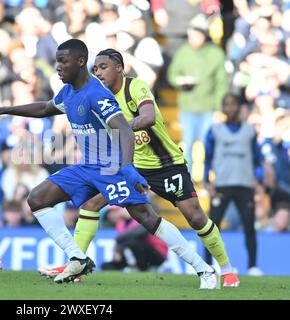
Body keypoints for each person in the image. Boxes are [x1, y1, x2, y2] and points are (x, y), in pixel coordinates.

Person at [0, 39, 219, 288]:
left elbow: (124, 129)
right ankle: (78, 257)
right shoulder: (70, 91)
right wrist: (4, 109)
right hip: (89, 167)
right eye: (57, 61)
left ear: (80, 62)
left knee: (147, 218)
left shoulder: (97, 94)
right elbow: (46, 108)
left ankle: (205, 269)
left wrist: (126, 169)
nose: (58, 67)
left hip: (111, 168)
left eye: (63, 61)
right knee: (37, 198)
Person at [39, 48, 240, 287]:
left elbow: (148, 118)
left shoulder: (135, 87)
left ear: (119, 69)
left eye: (104, 67)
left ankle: (227, 269)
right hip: (130, 165)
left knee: (196, 218)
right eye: (96, 69)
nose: (99, 73)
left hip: (166, 164)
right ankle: (76, 264)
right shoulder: (98, 95)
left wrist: (119, 128)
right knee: (91, 204)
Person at [204, 93, 263, 276]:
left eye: (233, 104)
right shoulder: (214, 130)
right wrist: (207, 180)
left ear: (239, 107)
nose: (230, 108)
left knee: (249, 225)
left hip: (244, 185)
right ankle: (207, 265)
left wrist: (258, 180)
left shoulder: (250, 131)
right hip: (221, 185)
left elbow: (257, 160)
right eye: (227, 105)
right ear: (223, 108)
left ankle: (252, 266)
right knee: (211, 227)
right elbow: (208, 157)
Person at [167, 14, 229, 172]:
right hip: (188, 107)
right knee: (187, 144)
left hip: (208, 108)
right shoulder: (183, 52)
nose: (192, 38)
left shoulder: (216, 54)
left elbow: (221, 83)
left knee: (208, 145)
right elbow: (172, 73)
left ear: (203, 35)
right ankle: (187, 179)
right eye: (190, 35)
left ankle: (209, 177)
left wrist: (218, 108)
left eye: (196, 35)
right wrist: (180, 80)